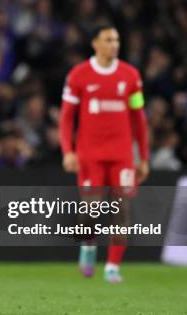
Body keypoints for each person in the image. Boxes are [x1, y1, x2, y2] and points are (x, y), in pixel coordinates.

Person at [59, 24, 149, 283]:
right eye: (109, 40)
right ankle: (88, 246)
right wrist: (68, 151)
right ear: (95, 43)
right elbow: (67, 118)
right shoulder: (79, 75)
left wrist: (143, 157)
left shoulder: (130, 76)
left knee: (122, 209)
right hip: (90, 155)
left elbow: (138, 118)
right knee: (92, 209)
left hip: (122, 156)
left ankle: (112, 266)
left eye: (117, 40)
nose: (114, 45)